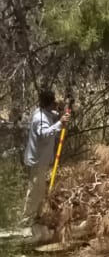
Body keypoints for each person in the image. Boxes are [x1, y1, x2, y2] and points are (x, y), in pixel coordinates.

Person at [21, 88, 70, 225]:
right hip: (37, 160)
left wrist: (62, 111)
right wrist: (60, 123)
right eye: (53, 101)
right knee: (34, 190)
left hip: (42, 159)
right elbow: (44, 133)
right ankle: (26, 221)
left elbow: (54, 116)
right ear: (49, 103)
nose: (55, 103)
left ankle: (36, 218)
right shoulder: (39, 119)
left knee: (40, 190)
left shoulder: (45, 112)